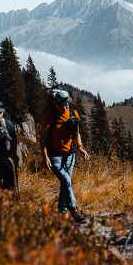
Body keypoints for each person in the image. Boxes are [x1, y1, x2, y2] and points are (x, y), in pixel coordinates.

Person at [39, 89, 89, 221]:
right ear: (56, 104)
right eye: (64, 103)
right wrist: (45, 156)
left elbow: (77, 132)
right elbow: (43, 138)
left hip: (70, 155)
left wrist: (80, 148)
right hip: (55, 155)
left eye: (68, 103)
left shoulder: (73, 114)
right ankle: (74, 210)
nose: (66, 106)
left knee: (65, 183)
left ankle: (61, 211)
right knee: (67, 180)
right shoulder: (50, 116)